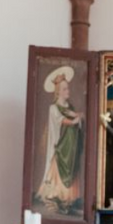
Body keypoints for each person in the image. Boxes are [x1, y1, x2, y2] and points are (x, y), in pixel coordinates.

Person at [35, 66, 83, 211]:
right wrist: (75, 120)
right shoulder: (53, 108)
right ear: (59, 91)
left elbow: (77, 119)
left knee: (72, 168)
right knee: (58, 168)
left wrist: (79, 117)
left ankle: (68, 199)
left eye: (68, 88)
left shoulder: (70, 106)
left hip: (71, 146)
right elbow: (62, 121)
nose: (68, 91)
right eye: (65, 89)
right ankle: (55, 196)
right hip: (61, 145)